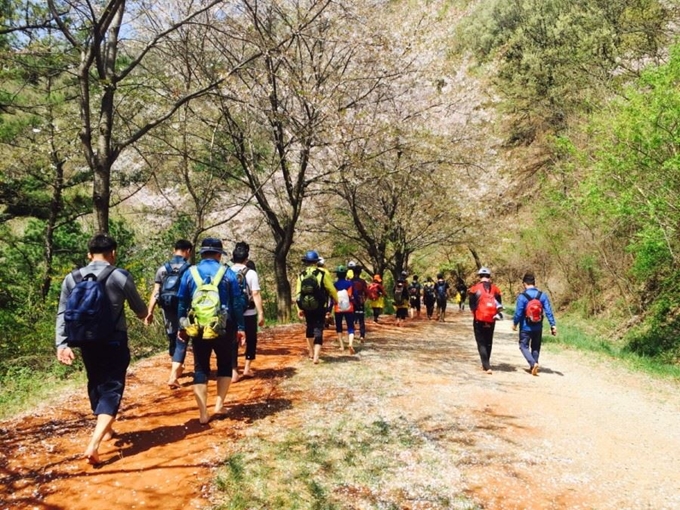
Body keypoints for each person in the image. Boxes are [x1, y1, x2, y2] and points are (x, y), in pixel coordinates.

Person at [55, 233, 148, 465]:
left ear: (89, 254)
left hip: (84, 341)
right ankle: (94, 443)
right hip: (113, 340)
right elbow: (140, 310)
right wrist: (145, 314)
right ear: (113, 253)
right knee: (113, 386)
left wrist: (61, 344)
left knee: (95, 381)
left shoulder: (71, 278)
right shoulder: (120, 276)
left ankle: (106, 430)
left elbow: (61, 313)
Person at [176, 237, 245, 424]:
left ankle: (203, 413)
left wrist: (182, 325)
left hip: (197, 326)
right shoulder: (228, 273)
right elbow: (237, 303)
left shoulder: (190, 273)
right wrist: (240, 327)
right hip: (224, 326)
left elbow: (182, 302)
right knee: (224, 364)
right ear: (218, 254)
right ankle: (219, 405)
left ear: (202, 253)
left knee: (201, 367)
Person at [145, 239, 193, 388]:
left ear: (174, 250)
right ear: (188, 251)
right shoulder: (190, 269)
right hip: (184, 307)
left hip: (167, 307)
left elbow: (156, 292)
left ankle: (178, 366)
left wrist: (150, 311)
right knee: (182, 337)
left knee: (173, 336)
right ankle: (173, 375)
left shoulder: (162, 269)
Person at [229, 242, 265, 381]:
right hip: (249, 312)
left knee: (232, 342)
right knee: (251, 340)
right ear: (247, 258)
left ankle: (233, 372)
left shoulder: (226, 271)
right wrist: (260, 312)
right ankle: (247, 369)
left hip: (232, 313)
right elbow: (255, 293)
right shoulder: (251, 273)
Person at [295, 250, 338, 363]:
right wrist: (337, 300)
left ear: (306, 262)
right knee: (318, 328)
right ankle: (316, 357)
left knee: (309, 327)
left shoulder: (301, 275)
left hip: (306, 305)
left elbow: (298, 294)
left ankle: (310, 352)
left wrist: (299, 308)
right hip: (319, 305)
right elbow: (331, 289)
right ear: (316, 262)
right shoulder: (322, 274)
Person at [512, 272, 557, 375]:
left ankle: (533, 363)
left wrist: (515, 323)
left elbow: (518, 313)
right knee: (535, 347)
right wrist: (552, 325)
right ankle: (534, 364)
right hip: (538, 326)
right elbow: (548, 311)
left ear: (524, 283)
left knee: (523, 346)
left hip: (525, 327)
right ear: (534, 282)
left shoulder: (522, 296)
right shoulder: (542, 295)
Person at [468, 267, 502, 374]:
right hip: (491, 319)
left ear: (479, 276)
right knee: (488, 341)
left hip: (479, 318)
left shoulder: (474, 288)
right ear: (489, 277)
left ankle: (486, 366)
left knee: (481, 342)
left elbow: (472, 305)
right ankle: (487, 364)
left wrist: (475, 314)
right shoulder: (496, 289)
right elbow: (499, 305)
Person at [332, 265, 356, 353]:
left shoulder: (335, 285)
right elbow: (355, 295)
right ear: (345, 274)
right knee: (350, 327)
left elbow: (332, 297)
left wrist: (329, 309)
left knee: (339, 327)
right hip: (349, 308)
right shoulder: (350, 284)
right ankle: (350, 344)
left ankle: (342, 346)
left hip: (338, 308)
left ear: (337, 275)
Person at [348, 261, 368, 342]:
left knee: (351, 318)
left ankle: (351, 335)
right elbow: (366, 292)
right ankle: (362, 336)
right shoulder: (362, 281)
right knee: (361, 319)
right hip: (360, 301)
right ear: (360, 272)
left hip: (352, 302)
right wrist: (364, 299)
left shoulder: (350, 281)